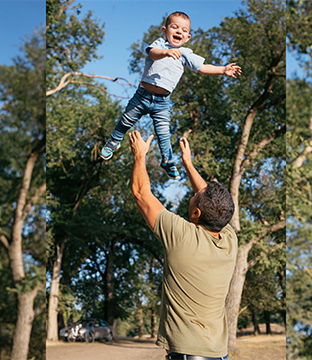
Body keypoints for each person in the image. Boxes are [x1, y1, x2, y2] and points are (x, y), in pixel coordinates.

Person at [128, 130, 237, 359]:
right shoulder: (229, 240)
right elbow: (212, 202)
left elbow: (140, 193)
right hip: (218, 354)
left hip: (189, 355)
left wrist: (140, 155)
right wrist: (188, 164)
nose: (195, 194)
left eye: (195, 197)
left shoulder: (182, 236)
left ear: (196, 212)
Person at [101, 11, 242, 179]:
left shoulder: (186, 53)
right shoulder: (160, 44)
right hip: (142, 96)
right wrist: (166, 53)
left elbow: (202, 68)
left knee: (163, 133)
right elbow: (152, 53)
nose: (178, 31)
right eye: (174, 27)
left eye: (183, 30)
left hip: (162, 102)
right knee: (126, 119)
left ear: (188, 37)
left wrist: (223, 70)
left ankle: (167, 161)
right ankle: (114, 141)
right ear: (164, 30)